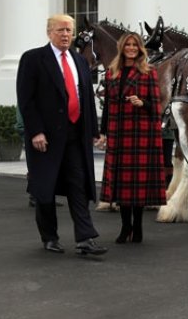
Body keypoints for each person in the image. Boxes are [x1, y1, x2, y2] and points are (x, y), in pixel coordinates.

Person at [16, 14, 108, 255]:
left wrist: (94, 132)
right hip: (45, 138)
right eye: (60, 30)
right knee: (45, 188)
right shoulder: (34, 59)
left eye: (69, 30)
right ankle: (49, 237)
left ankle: (85, 238)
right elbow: (26, 100)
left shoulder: (79, 61)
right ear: (49, 32)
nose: (66, 34)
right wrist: (35, 131)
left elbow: (85, 97)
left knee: (78, 185)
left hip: (75, 135)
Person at [98, 32, 166, 244]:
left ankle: (137, 227)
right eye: (127, 45)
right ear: (122, 47)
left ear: (140, 49)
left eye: (134, 45)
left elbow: (157, 108)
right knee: (122, 184)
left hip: (140, 134)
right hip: (118, 132)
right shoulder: (111, 73)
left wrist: (142, 103)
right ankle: (125, 226)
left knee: (138, 184)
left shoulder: (149, 72)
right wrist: (103, 133)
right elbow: (108, 106)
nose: (131, 48)